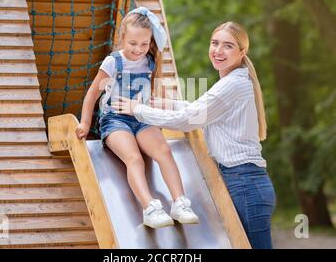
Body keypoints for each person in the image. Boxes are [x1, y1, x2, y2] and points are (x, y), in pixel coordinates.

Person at [112, 21, 276, 248]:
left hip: (245, 183)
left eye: (227, 46)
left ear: (242, 52)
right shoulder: (234, 80)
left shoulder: (233, 85)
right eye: (214, 43)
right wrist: (160, 103)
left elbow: (189, 120)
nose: (218, 51)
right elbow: (198, 110)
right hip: (241, 181)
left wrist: (137, 110)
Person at [75, 7, 199, 229]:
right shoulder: (113, 62)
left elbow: (156, 92)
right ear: (122, 37)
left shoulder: (149, 61)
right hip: (115, 120)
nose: (138, 49)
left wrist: (171, 111)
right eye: (133, 43)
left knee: (163, 151)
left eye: (144, 44)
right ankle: (150, 207)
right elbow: (93, 93)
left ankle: (179, 202)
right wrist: (84, 122)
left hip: (141, 117)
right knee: (134, 158)